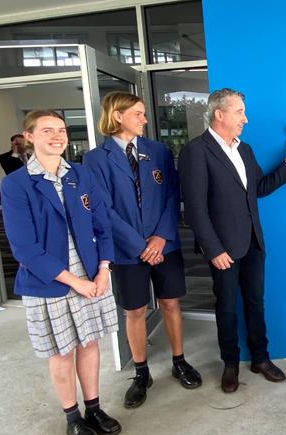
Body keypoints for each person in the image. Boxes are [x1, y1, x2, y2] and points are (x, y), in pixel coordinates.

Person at [1, 110, 121, 435]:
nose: (57, 136)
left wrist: (103, 269)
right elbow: (25, 248)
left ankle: (94, 409)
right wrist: (75, 282)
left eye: (62, 130)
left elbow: (103, 224)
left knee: (90, 344)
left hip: (91, 275)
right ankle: (73, 417)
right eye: (48, 130)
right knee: (62, 351)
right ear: (29, 137)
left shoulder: (80, 175)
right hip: (49, 282)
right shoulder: (16, 185)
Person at [83, 91, 201, 409]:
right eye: (138, 113)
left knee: (171, 303)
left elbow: (171, 195)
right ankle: (141, 372)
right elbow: (102, 209)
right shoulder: (95, 159)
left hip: (165, 246)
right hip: (126, 251)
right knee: (134, 311)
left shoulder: (159, 151)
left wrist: (161, 237)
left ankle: (179, 361)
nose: (145, 119)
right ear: (117, 115)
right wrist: (139, 246)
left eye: (144, 113)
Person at [178, 88, 286, 393]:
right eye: (240, 112)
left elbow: (256, 189)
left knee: (255, 303)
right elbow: (195, 209)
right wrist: (213, 249)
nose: (245, 119)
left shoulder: (244, 149)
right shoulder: (196, 151)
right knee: (228, 308)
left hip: (253, 243)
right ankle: (230, 365)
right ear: (220, 114)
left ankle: (260, 358)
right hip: (223, 250)